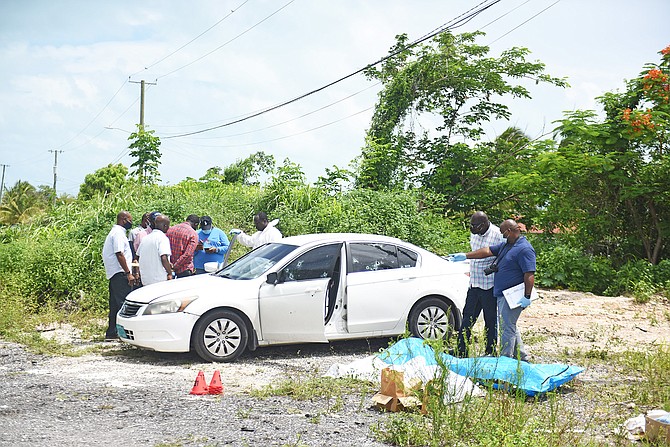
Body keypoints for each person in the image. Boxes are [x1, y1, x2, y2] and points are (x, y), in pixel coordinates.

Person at [454, 219, 536, 361]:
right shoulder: (507, 245)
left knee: (506, 328)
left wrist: (527, 296)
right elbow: (487, 251)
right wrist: (466, 255)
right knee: (510, 325)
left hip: (514, 295)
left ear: (509, 231)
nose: (501, 235)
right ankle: (522, 357)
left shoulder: (524, 249)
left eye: (503, 232)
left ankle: (506, 360)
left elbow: (529, 274)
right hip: (503, 294)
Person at [456, 211, 504, 357]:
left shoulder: (497, 234)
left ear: (483, 224)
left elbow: (502, 255)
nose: (472, 229)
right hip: (474, 283)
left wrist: (494, 266)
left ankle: (490, 351)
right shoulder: (475, 233)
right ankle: (461, 349)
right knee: (467, 317)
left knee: (490, 320)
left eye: (475, 226)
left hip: (489, 285)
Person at [101, 211, 136, 341]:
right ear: (123, 219)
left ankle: (112, 332)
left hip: (115, 273)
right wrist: (128, 273)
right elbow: (119, 253)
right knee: (123, 304)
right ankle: (125, 334)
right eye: (130, 220)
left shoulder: (116, 233)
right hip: (120, 273)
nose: (131, 223)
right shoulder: (118, 234)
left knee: (115, 305)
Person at [137, 214, 173, 285]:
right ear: (165, 226)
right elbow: (164, 257)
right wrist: (169, 273)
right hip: (159, 280)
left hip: (146, 280)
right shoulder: (163, 238)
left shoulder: (145, 238)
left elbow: (138, 256)